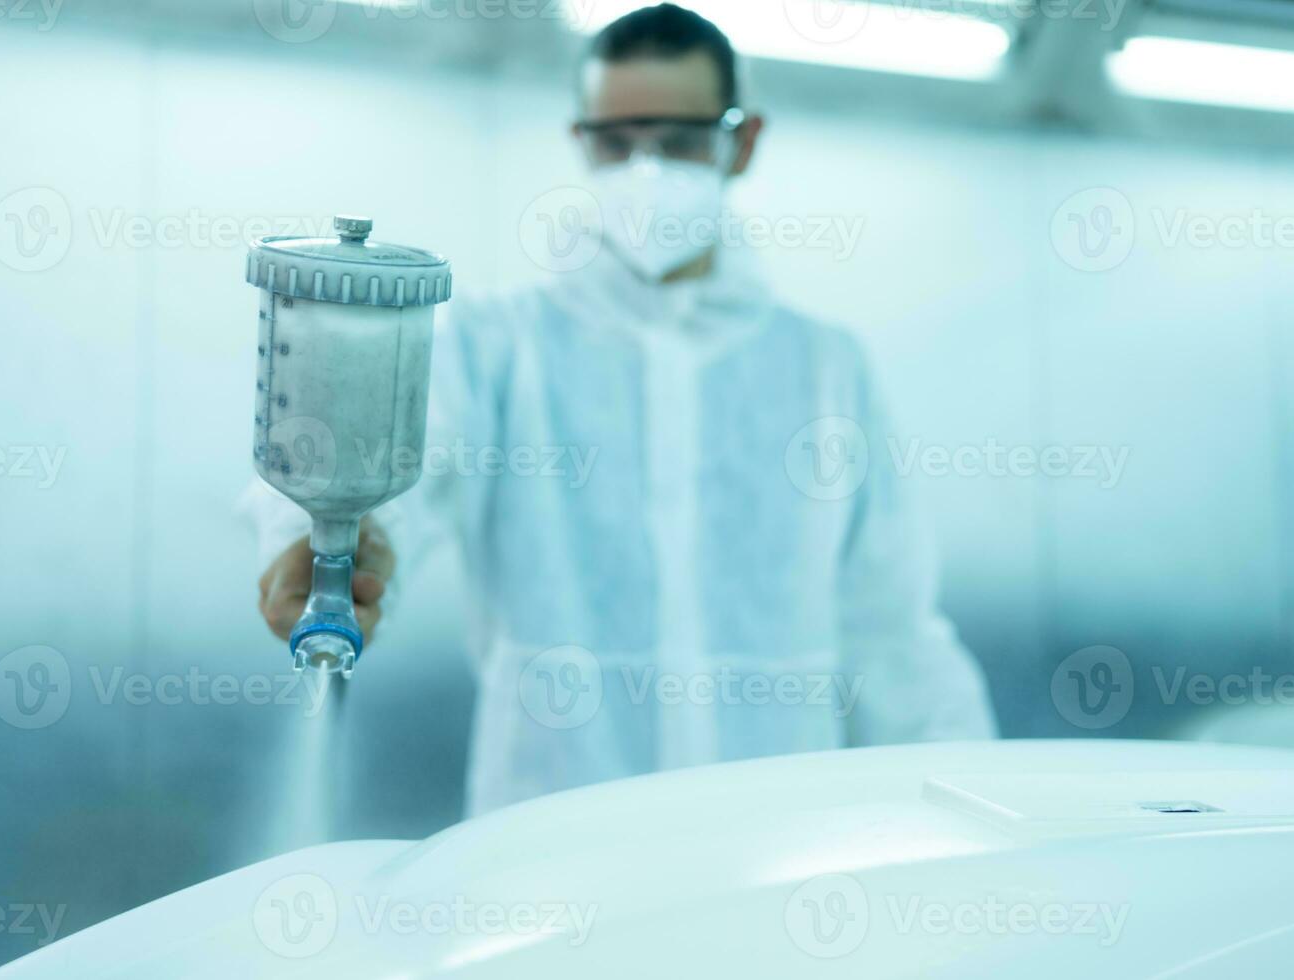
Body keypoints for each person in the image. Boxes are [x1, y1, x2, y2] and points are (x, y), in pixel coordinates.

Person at [249, 3, 996, 816]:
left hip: (780, 841)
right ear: (581, 143)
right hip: (554, 840)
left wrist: (974, 805)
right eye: (616, 143)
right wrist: (325, 547)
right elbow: (394, 483)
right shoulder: (500, 345)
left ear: (740, 144)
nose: (645, 170)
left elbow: (891, 631)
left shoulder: (823, 368)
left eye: (677, 143)